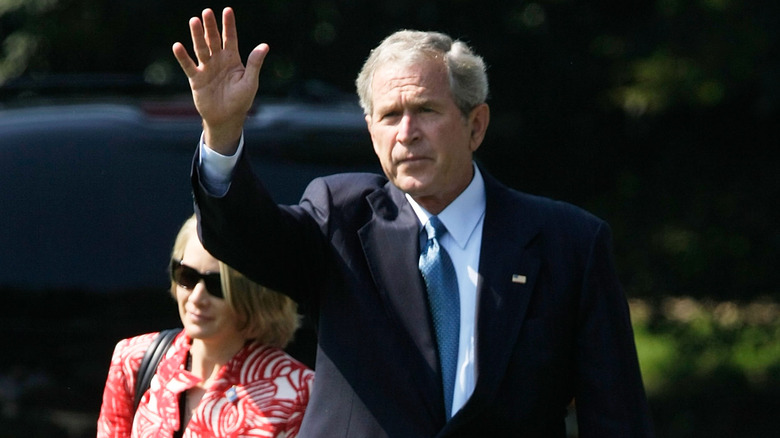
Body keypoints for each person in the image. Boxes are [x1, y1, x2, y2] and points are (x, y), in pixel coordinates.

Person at [173, 7, 654, 437]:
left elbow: (615, 415)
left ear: (476, 124)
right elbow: (243, 235)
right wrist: (222, 131)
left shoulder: (568, 243)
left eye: (426, 110)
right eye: (390, 116)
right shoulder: (339, 219)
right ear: (371, 131)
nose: (407, 133)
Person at [96, 215, 314, 438]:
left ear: (255, 294)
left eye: (216, 284)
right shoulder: (134, 359)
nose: (197, 297)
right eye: (187, 276)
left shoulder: (300, 392)